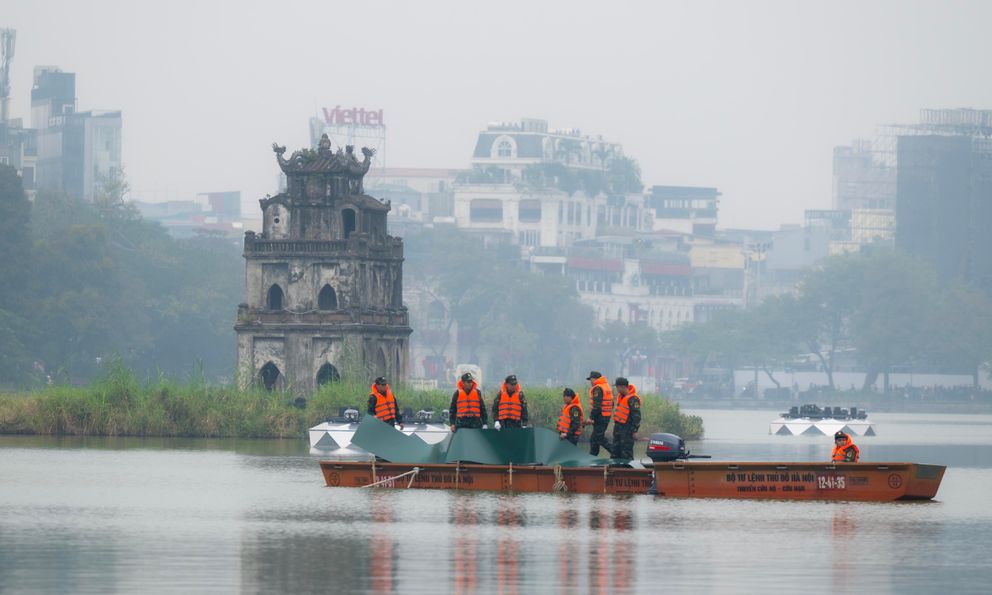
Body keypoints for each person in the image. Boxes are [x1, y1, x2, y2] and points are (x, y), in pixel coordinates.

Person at [583, 371, 613, 456]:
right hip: (605, 416)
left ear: (595, 379)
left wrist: (591, 418)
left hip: (601, 417)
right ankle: (593, 457)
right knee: (594, 439)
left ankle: (615, 452)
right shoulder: (606, 386)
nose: (590, 382)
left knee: (598, 437)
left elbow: (597, 406)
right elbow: (612, 403)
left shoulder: (598, 388)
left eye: (591, 380)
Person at [611, 377, 641, 460]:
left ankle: (628, 468)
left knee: (626, 452)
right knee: (615, 451)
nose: (617, 389)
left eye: (617, 387)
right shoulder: (621, 397)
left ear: (622, 387)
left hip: (627, 429)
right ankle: (615, 467)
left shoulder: (633, 399)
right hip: (618, 428)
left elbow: (637, 416)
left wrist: (634, 430)